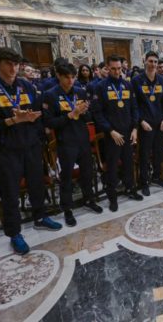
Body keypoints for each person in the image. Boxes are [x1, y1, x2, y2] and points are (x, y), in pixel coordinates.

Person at [0, 47, 62, 255]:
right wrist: (12, 120)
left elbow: (37, 115)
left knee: (37, 184)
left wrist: (34, 126)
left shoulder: (26, 86)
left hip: (30, 145)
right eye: (8, 64)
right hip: (5, 150)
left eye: (16, 64)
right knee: (10, 192)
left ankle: (40, 217)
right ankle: (14, 233)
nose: (13, 68)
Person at [43, 63, 102, 227]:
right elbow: (49, 122)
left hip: (82, 138)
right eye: (67, 77)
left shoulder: (80, 92)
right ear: (59, 77)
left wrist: (84, 112)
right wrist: (71, 114)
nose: (70, 81)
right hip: (65, 141)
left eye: (73, 77)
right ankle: (67, 208)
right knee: (67, 177)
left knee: (87, 172)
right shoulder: (51, 95)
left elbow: (88, 117)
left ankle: (89, 199)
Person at [91, 55, 143, 212]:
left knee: (128, 164)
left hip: (128, 133)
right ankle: (112, 197)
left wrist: (135, 128)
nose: (116, 71)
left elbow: (134, 108)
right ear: (107, 68)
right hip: (112, 135)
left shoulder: (127, 85)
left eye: (119, 68)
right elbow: (97, 114)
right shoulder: (100, 87)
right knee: (112, 168)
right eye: (113, 68)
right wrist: (110, 131)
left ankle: (130, 189)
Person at [132, 51, 163, 196]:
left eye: (155, 62)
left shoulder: (161, 80)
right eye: (151, 61)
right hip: (145, 123)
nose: (153, 64)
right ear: (145, 61)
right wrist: (140, 121)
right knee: (145, 154)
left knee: (158, 152)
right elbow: (134, 105)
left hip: (159, 123)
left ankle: (157, 177)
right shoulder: (136, 81)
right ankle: (144, 181)